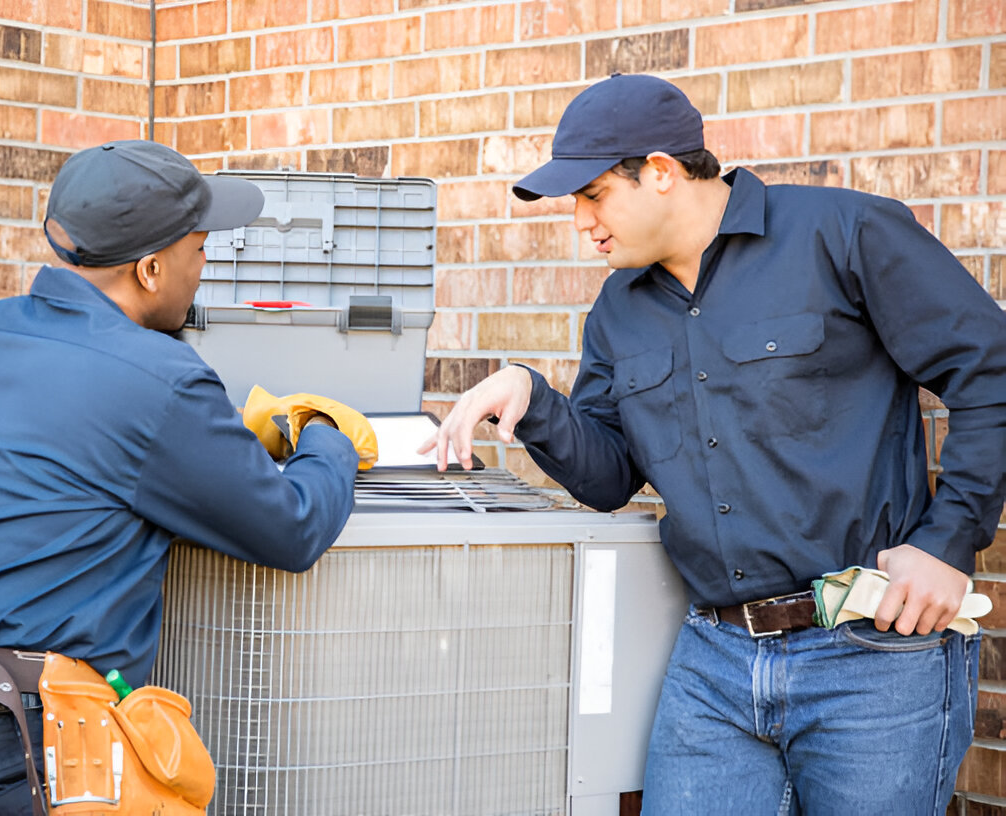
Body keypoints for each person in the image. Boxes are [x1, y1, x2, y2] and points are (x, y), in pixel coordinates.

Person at [422, 74, 1006, 814]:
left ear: (660, 172)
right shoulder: (617, 311)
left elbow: (991, 368)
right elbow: (608, 477)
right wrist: (534, 400)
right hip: (715, 665)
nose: (580, 221)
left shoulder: (844, 233)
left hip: (873, 655)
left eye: (593, 194)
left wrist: (949, 541)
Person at [0, 140, 369, 815]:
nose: (206, 260)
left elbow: (87, 440)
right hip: (13, 762)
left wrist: (226, 430)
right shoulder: (162, 381)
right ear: (150, 269)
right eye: (198, 245)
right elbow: (292, 528)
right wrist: (324, 435)